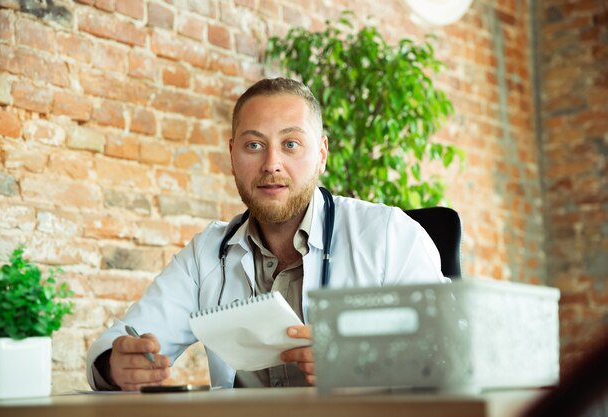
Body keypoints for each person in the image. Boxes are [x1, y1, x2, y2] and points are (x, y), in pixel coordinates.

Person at [86, 77, 447, 391]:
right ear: (232, 155)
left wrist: (368, 366)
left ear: (321, 154)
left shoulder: (387, 235)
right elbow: (118, 343)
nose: (271, 163)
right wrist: (118, 366)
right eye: (254, 145)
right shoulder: (207, 255)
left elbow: (452, 349)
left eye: (291, 144)